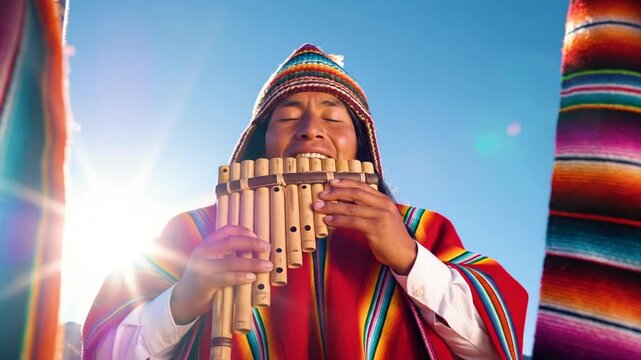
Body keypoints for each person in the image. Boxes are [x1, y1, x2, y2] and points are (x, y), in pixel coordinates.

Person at [82, 44, 527, 359]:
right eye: (288, 117)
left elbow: (493, 346)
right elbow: (103, 353)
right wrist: (185, 296)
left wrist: (411, 260)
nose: (310, 129)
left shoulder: (419, 229)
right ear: (260, 143)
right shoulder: (193, 232)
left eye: (334, 117)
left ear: (361, 146)